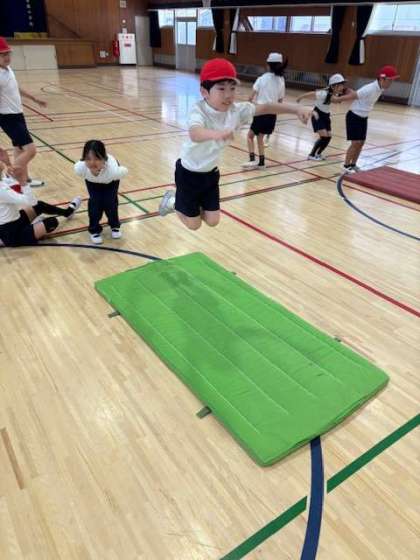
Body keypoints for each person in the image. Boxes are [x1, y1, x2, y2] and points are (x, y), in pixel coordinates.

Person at [158, 58, 311, 231]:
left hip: (211, 173)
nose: (228, 94)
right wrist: (216, 134)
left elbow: (267, 107)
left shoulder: (237, 111)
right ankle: (172, 201)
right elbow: (195, 133)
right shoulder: (199, 110)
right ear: (204, 92)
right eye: (221, 88)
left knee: (213, 221)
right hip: (188, 173)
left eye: (232, 88)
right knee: (194, 225)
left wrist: (297, 109)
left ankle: (187, 204)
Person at [0, 37, 46, 187]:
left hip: (18, 114)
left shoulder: (8, 69)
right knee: (31, 150)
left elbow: (16, 88)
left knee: (19, 148)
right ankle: (11, 176)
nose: (6, 57)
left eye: (8, 53)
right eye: (2, 54)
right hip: (7, 118)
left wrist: (34, 99)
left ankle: (24, 181)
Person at [0, 163, 81, 247]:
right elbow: (31, 201)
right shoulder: (1, 191)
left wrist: (13, 176)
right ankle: (6, 241)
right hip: (12, 233)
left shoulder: (2, 182)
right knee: (51, 222)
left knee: (39, 206)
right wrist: (23, 182)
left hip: (15, 221)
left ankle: (67, 213)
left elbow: (12, 185)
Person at [337, 65, 399, 173]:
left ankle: (353, 164)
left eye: (392, 81)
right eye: (389, 80)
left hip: (363, 118)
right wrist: (337, 99)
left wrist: (348, 90)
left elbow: (357, 93)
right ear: (382, 79)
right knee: (355, 143)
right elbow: (354, 95)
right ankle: (346, 165)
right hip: (354, 116)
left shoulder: (380, 88)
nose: (391, 83)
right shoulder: (370, 88)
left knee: (361, 143)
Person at [74, 140, 127, 244]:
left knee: (110, 201)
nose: (92, 162)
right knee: (95, 202)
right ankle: (94, 230)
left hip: (110, 181)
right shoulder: (81, 168)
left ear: (103, 158)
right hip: (92, 181)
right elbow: (84, 166)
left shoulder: (113, 171)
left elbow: (124, 171)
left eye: (97, 158)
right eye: (88, 159)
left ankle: (115, 225)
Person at [242, 52, 287, 169]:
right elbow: (280, 101)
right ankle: (261, 163)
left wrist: (253, 106)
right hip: (272, 113)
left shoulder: (261, 79)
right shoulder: (281, 80)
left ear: (268, 65)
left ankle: (252, 160)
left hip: (261, 111)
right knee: (260, 137)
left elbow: (250, 98)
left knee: (250, 136)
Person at [296, 73, 346, 161]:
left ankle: (318, 154)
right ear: (334, 86)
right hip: (317, 115)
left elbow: (336, 101)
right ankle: (311, 155)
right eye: (341, 85)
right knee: (324, 136)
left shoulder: (334, 93)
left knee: (328, 137)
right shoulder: (323, 93)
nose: (343, 87)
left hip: (326, 116)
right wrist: (300, 97)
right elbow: (313, 93)